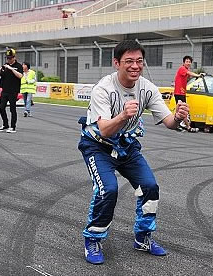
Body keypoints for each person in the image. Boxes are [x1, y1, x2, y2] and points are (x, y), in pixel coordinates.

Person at [78, 40, 189, 265]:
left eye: (139, 61)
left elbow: (168, 122)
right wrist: (123, 116)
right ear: (116, 63)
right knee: (107, 189)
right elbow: (104, 129)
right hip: (98, 145)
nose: (135, 66)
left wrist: (178, 118)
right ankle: (93, 239)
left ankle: (143, 238)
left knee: (150, 187)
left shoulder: (147, 88)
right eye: (129, 61)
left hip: (127, 146)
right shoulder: (104, 88)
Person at [0, 48, 23, 133]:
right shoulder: (5, 65)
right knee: (1, 108)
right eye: (7, 58)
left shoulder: (18, 66)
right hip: (5, 90)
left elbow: (20, 76)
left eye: (10, 58)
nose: (9, 60)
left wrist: (11, 69)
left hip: (13, 91)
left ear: (14, 57)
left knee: (12, 109)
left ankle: (13, 126)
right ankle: (5, 124)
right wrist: (1, 69)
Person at [173, 55, 201, 132]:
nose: (188, 63)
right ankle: (184, 126)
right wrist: (198, 75)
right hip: (179, 93)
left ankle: (186, 126)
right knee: (181, 109)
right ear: (184, 62)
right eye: (187, 61)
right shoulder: (182, 69)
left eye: (189, 62)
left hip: (182, 93)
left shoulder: (185, 71)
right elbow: (189, 73)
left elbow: (187, 75)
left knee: (182, 110)